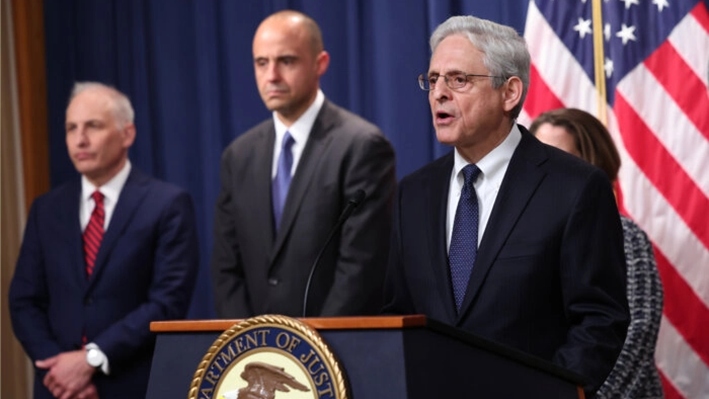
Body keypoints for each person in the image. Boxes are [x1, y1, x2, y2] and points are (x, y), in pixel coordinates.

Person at [382, 15, 629, 397]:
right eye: (432, 80)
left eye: (458, 79)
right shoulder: (414, 193)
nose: (439, 93)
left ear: (509, 92)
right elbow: (398, 315)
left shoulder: (575, 187)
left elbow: (599, 320)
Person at [8, 82, 200, 399]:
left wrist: (92, 360)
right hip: (57, 389)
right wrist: (58, 371)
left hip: (132, 386)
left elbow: (167, 302)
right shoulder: (46, 209)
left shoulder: (167, 204)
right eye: (71, 128)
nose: (79, 140)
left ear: (127, 134)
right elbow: (24, 300)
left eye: (93, 126)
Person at [211, 10, 396, 318]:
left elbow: (361, 268)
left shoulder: (361, 146)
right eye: (261, 63)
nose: (272, 76)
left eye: (286, 61)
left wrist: (308, 348)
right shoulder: (238, 155)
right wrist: (248, 341)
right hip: (255, 351)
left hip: (331, 352)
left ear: (320, 63)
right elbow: (226, 268)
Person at [530, 108, 664, 399]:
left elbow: (634, 339)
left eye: (559, 157)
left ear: (593, 165)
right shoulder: (520, 236)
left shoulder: (622, 234)